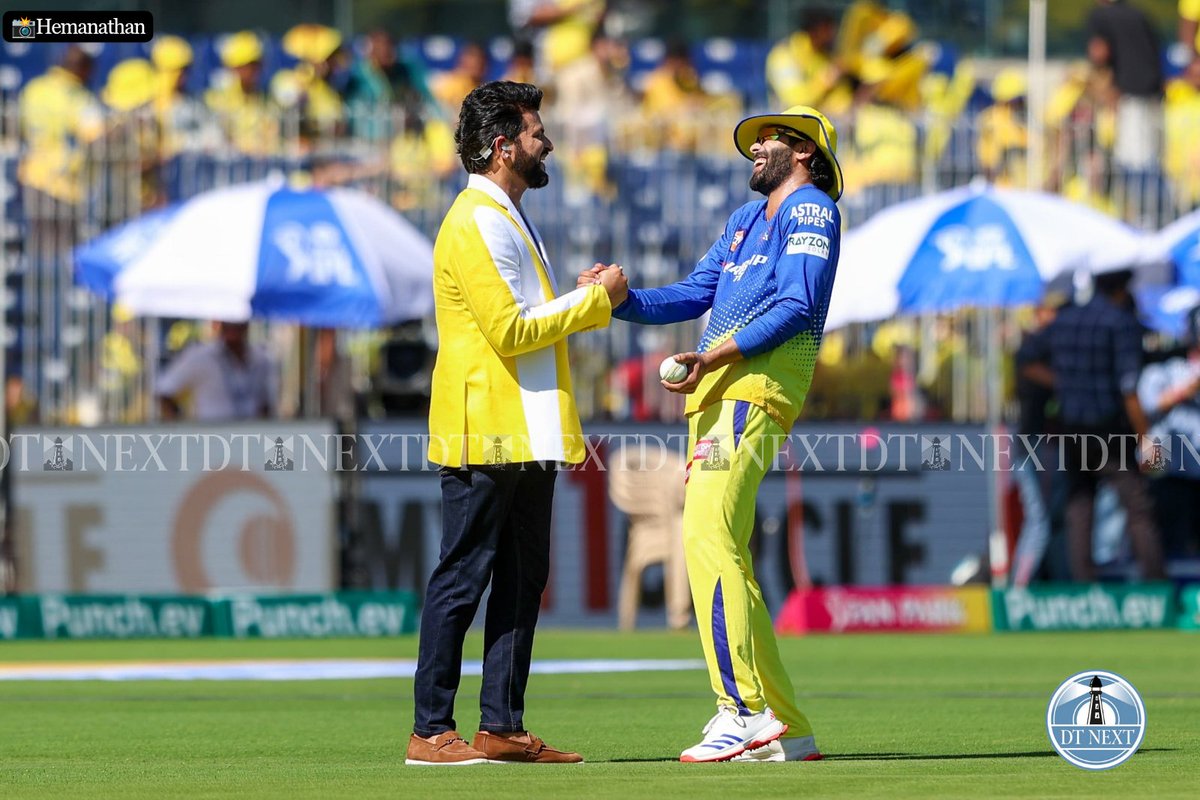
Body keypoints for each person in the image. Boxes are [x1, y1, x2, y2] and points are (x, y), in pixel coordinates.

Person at [580, 104, 841, 763]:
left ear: (806, 152)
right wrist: (624, 300)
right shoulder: (744, 221)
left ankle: (741, 709)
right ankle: (787, 725)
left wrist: (714, 357)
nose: (756, 147)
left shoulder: (810, 209)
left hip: (752, 393)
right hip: (715, 401)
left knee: (704, 538)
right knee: (724, 551)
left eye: (771, 138)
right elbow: (697, 292)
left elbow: (797, 303)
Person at [409, 81, 627, 767]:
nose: (549, 143)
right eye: (537, 134)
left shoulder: (503, 213)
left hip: (523, 429)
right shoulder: (476, 219)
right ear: (503, 147)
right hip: (486, 426)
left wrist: (581, 297)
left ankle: (500, 726)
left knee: (522, 578)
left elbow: (524, 318)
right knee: (463, 576)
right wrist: (595, 302)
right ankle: (429, 729)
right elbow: (509, 331)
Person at [1038, 269, 1165, 581]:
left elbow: (1026, 359)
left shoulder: (1065, 320)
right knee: (1137, 508)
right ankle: (1156, 587)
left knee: (1079, 509)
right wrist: (1146, 438)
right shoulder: (1119, 322)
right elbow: (1128, 387)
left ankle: (1085, 590)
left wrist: (1065, 385)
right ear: (1122, 287)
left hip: (1071, 430)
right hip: (1109, 432)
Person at [1137, 305, 1200, 559]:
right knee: (1172, 541)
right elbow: (1148, 405)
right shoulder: (1165, 369)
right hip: (1172, 473)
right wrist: (1189, 388)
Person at [156, 321, 276, 421]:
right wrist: (179, 429)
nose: (233, 327)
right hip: (212, 441)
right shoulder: (200, 356)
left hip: (252, 440)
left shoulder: (260, 359)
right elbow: (164, 391)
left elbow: (265, 404)